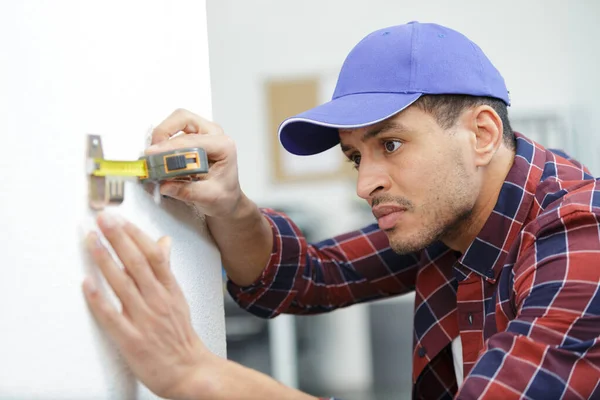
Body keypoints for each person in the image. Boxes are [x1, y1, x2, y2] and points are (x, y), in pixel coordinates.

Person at [82, 22, 600, 399]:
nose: (364, 183)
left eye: (391, 145)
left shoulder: (583, 234)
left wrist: (201, 375)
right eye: (355, 156)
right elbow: (307, 275)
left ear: (482, 134)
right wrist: (231, 204)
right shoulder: (450, 218)